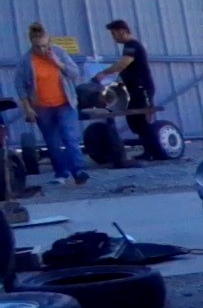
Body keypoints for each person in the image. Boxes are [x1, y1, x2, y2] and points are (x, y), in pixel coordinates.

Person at [14, 22, 89, 186]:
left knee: (70, 137)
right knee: (52, 141)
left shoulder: (59, 53)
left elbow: (75, 73)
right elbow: (20, 85)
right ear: (32, 43)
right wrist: (27, 108)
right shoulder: (27, 61)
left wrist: (58, 63)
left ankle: (79, 171)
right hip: (42, 107)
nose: (42, 50)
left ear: (49, 41)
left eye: (45, 45)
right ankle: (61, 173)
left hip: (65, 103)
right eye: (37, 46)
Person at [93, 18, 164, 160]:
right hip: (133, 90)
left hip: (141, 89)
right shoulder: (129, 46)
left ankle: (153, 152)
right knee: (134, 120)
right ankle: (148, 150)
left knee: (142, 120)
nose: (113, 38)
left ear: (122, 31)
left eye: (114, 34)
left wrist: (104, 73)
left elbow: (123, 64)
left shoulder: (132, 45)